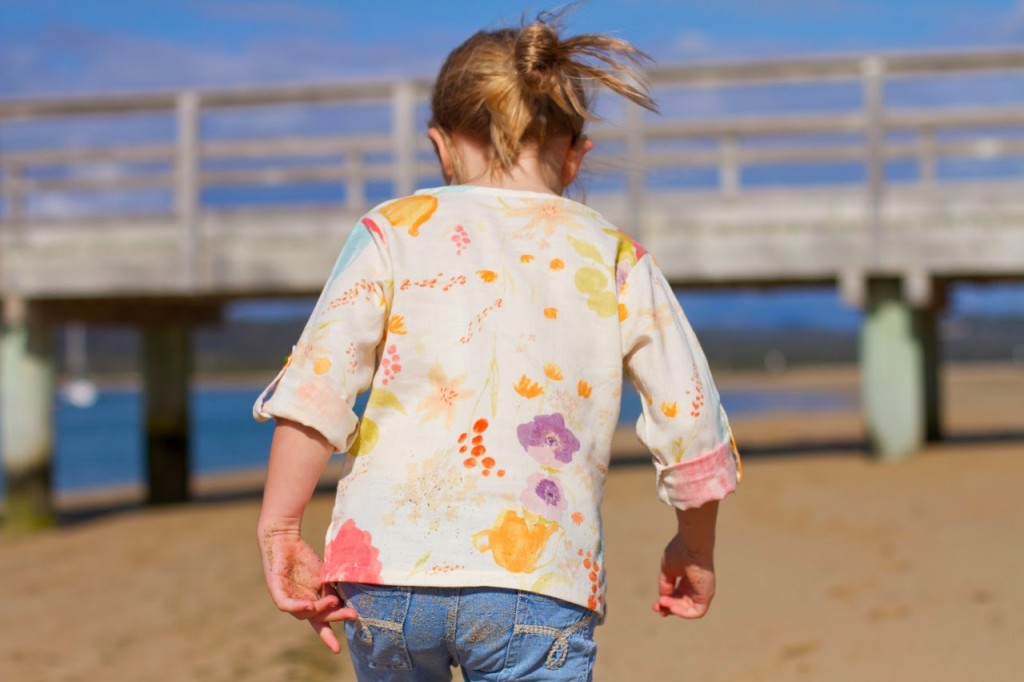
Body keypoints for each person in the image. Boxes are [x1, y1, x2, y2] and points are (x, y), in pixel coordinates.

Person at [254, 14, 740, 682]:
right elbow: (690, 420)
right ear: (576, 155)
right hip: (539, 579)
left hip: (385, 573)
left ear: (441, 145)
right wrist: (694, 546)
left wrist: (281, 529)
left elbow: (318, 386)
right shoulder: (615, 257)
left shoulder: (393, 231)